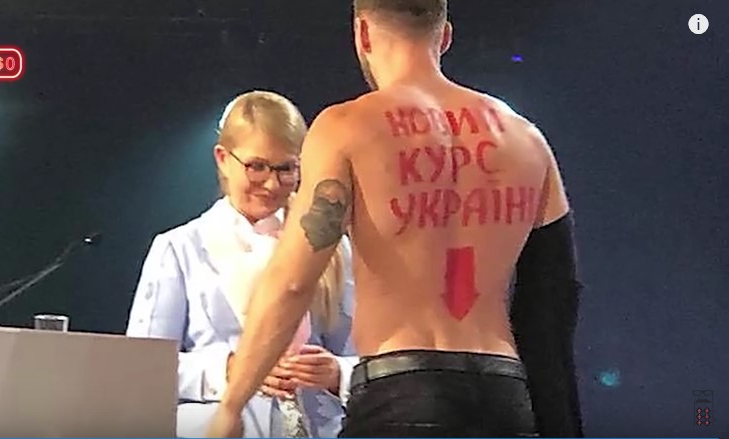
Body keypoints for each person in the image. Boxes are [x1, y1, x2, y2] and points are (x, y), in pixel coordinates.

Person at [207, 1, 584, 438]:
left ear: (362, 33)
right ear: (445, 36)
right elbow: (554, 298)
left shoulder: (345, 127)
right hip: (505, 395)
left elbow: (292, 283)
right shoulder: (527, 139)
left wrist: (232, 405)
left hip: (400, 391)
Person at [125, 90, 358, 438]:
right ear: (223, 158)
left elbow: (364, 357)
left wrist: (337, 372)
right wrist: (229, 370)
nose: (271, 183)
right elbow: (141, 369)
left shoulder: (330, 248)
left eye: (286, 168)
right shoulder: (179, 249)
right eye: (257, 166)